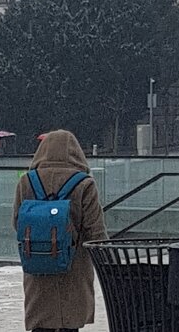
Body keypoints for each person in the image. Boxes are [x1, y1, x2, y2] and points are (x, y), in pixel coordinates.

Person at [13, 129, 108, 332]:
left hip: (37, 264)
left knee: (42, 323)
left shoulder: (27, 182)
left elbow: (16, 223)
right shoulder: (84, 184)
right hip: (73, 269)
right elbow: (95, 231)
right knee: (69, 324)